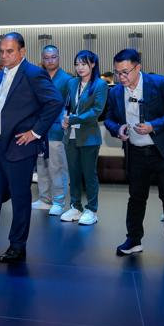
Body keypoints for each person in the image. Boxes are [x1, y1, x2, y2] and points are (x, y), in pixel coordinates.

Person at [0, 33, 63, 262]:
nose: (4, 55)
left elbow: (55, 102)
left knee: (20, 199)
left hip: (18, 148)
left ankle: (17, 246)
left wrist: (35, 132)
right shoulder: (1, 74)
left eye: (10, 51)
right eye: (2, 51)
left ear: (22, 52)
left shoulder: (33, 73)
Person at [104, 48, 164, 263]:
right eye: (117, 73)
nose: (121, 77)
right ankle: (133, 240)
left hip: (163, 151)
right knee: (136, 198)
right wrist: (118, 129)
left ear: (138, 67)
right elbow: (109, 119)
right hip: (135, 152)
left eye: (125, 72)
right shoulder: (115, 92)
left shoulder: (159, 83)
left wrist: (153, 125)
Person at [60, 51, 108, 225]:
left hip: (89, 137)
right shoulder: (72, 82)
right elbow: (66, 105)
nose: (79, 68)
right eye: (77, 64)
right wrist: (63, 118)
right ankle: (75, 206)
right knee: (73, 174)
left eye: (84, 64)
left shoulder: (100, 84)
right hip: (70, 135)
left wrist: (73, 119)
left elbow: (97, 111)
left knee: (89, 174)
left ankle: (92, 209)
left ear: (93, 64)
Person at [32, 45, 72, 216]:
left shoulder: (67, 79)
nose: (50, 61)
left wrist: (66, 120)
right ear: (42, 59)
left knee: (57, 166)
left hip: (56, 129)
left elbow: (70, 105)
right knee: (41, 165)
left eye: (53, 57)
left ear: (58, 58)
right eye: (46, 58)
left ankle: (59, 201)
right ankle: (45, 199)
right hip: (39, 129)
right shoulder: (39, 77)